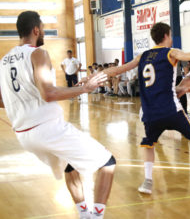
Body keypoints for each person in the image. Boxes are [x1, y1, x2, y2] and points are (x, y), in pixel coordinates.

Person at [0, 11, 115, 219]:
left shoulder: (4, 61)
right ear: (36, 30)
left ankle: (84, 214)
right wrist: (85, 88)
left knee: (70, 166)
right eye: (42, 28)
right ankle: (97, 217)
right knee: (108, 162)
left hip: (24, 135)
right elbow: (49, 93)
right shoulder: (38, 53)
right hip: (47, 129)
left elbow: (2, 100)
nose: (42, 32)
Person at [102, 22, 190, 194]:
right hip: (171, 109)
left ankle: (147, 181)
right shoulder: (170, 53)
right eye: (171, 34)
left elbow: (117, 70)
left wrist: (92, 76)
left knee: (149, 145)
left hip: (150, 112)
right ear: (166, 36)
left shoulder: (142, 56)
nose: (172, 38)